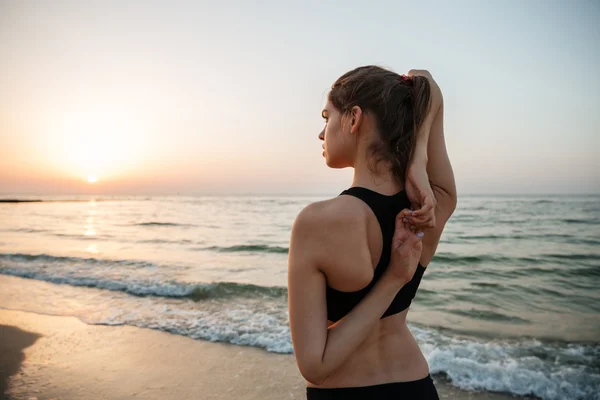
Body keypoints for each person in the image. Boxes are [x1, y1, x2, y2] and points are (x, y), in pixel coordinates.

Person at [287, 66, 457, 399]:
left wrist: (394, 279)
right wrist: (418, 160)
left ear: (353, 119)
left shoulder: (315, 223)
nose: (322, 134)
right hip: (416, 387)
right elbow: (427, 84)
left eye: (327, 117)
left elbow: (316, 366)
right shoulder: (431, 205)